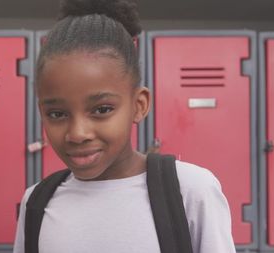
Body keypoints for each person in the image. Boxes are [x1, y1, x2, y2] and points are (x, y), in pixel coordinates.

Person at [13, 0, 236, 252]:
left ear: (139, 105)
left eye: (102, 110)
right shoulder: (36, 202)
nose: (77, 133)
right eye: (56, 114)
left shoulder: (189, 190)